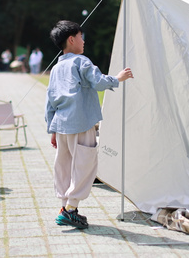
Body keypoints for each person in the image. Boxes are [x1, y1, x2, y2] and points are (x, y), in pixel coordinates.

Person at [45, 20, 134, 229]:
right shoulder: (80, 61)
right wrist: (118, 78)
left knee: (64, 166)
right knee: (85, 165)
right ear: (72, 39)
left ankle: (65, 206)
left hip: (61, 124)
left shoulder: (56, 68)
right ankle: (70, 209)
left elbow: (49, 100)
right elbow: (98, 81)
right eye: (81, 37)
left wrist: (52, 129)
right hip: (81, 122)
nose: (83, 41)